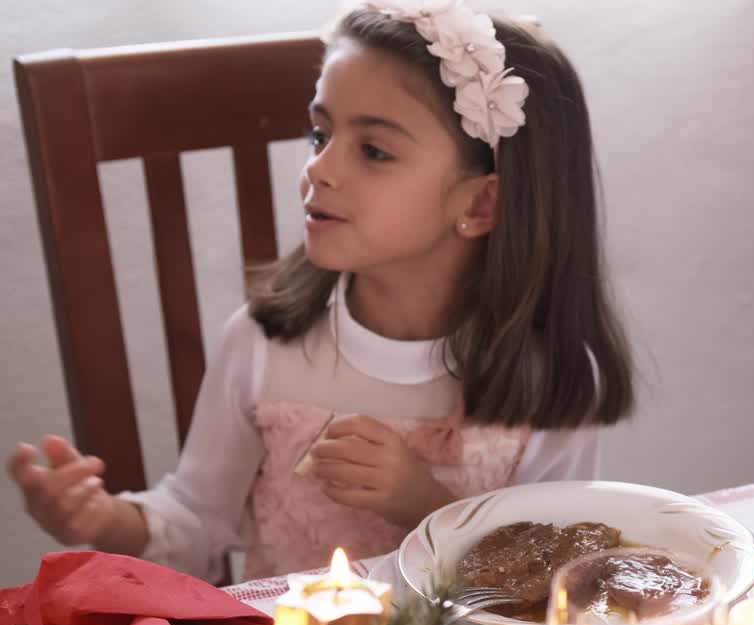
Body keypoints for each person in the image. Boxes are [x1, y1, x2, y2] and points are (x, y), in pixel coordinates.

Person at [8, 0, 633, 583]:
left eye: (373, 151)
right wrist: (99, 521)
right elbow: (195, 523)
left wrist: (423, 503)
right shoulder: (263, 343)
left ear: (482, 201)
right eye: (319, 136)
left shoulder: (551, 378)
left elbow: (547, 580)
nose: (319, 169)